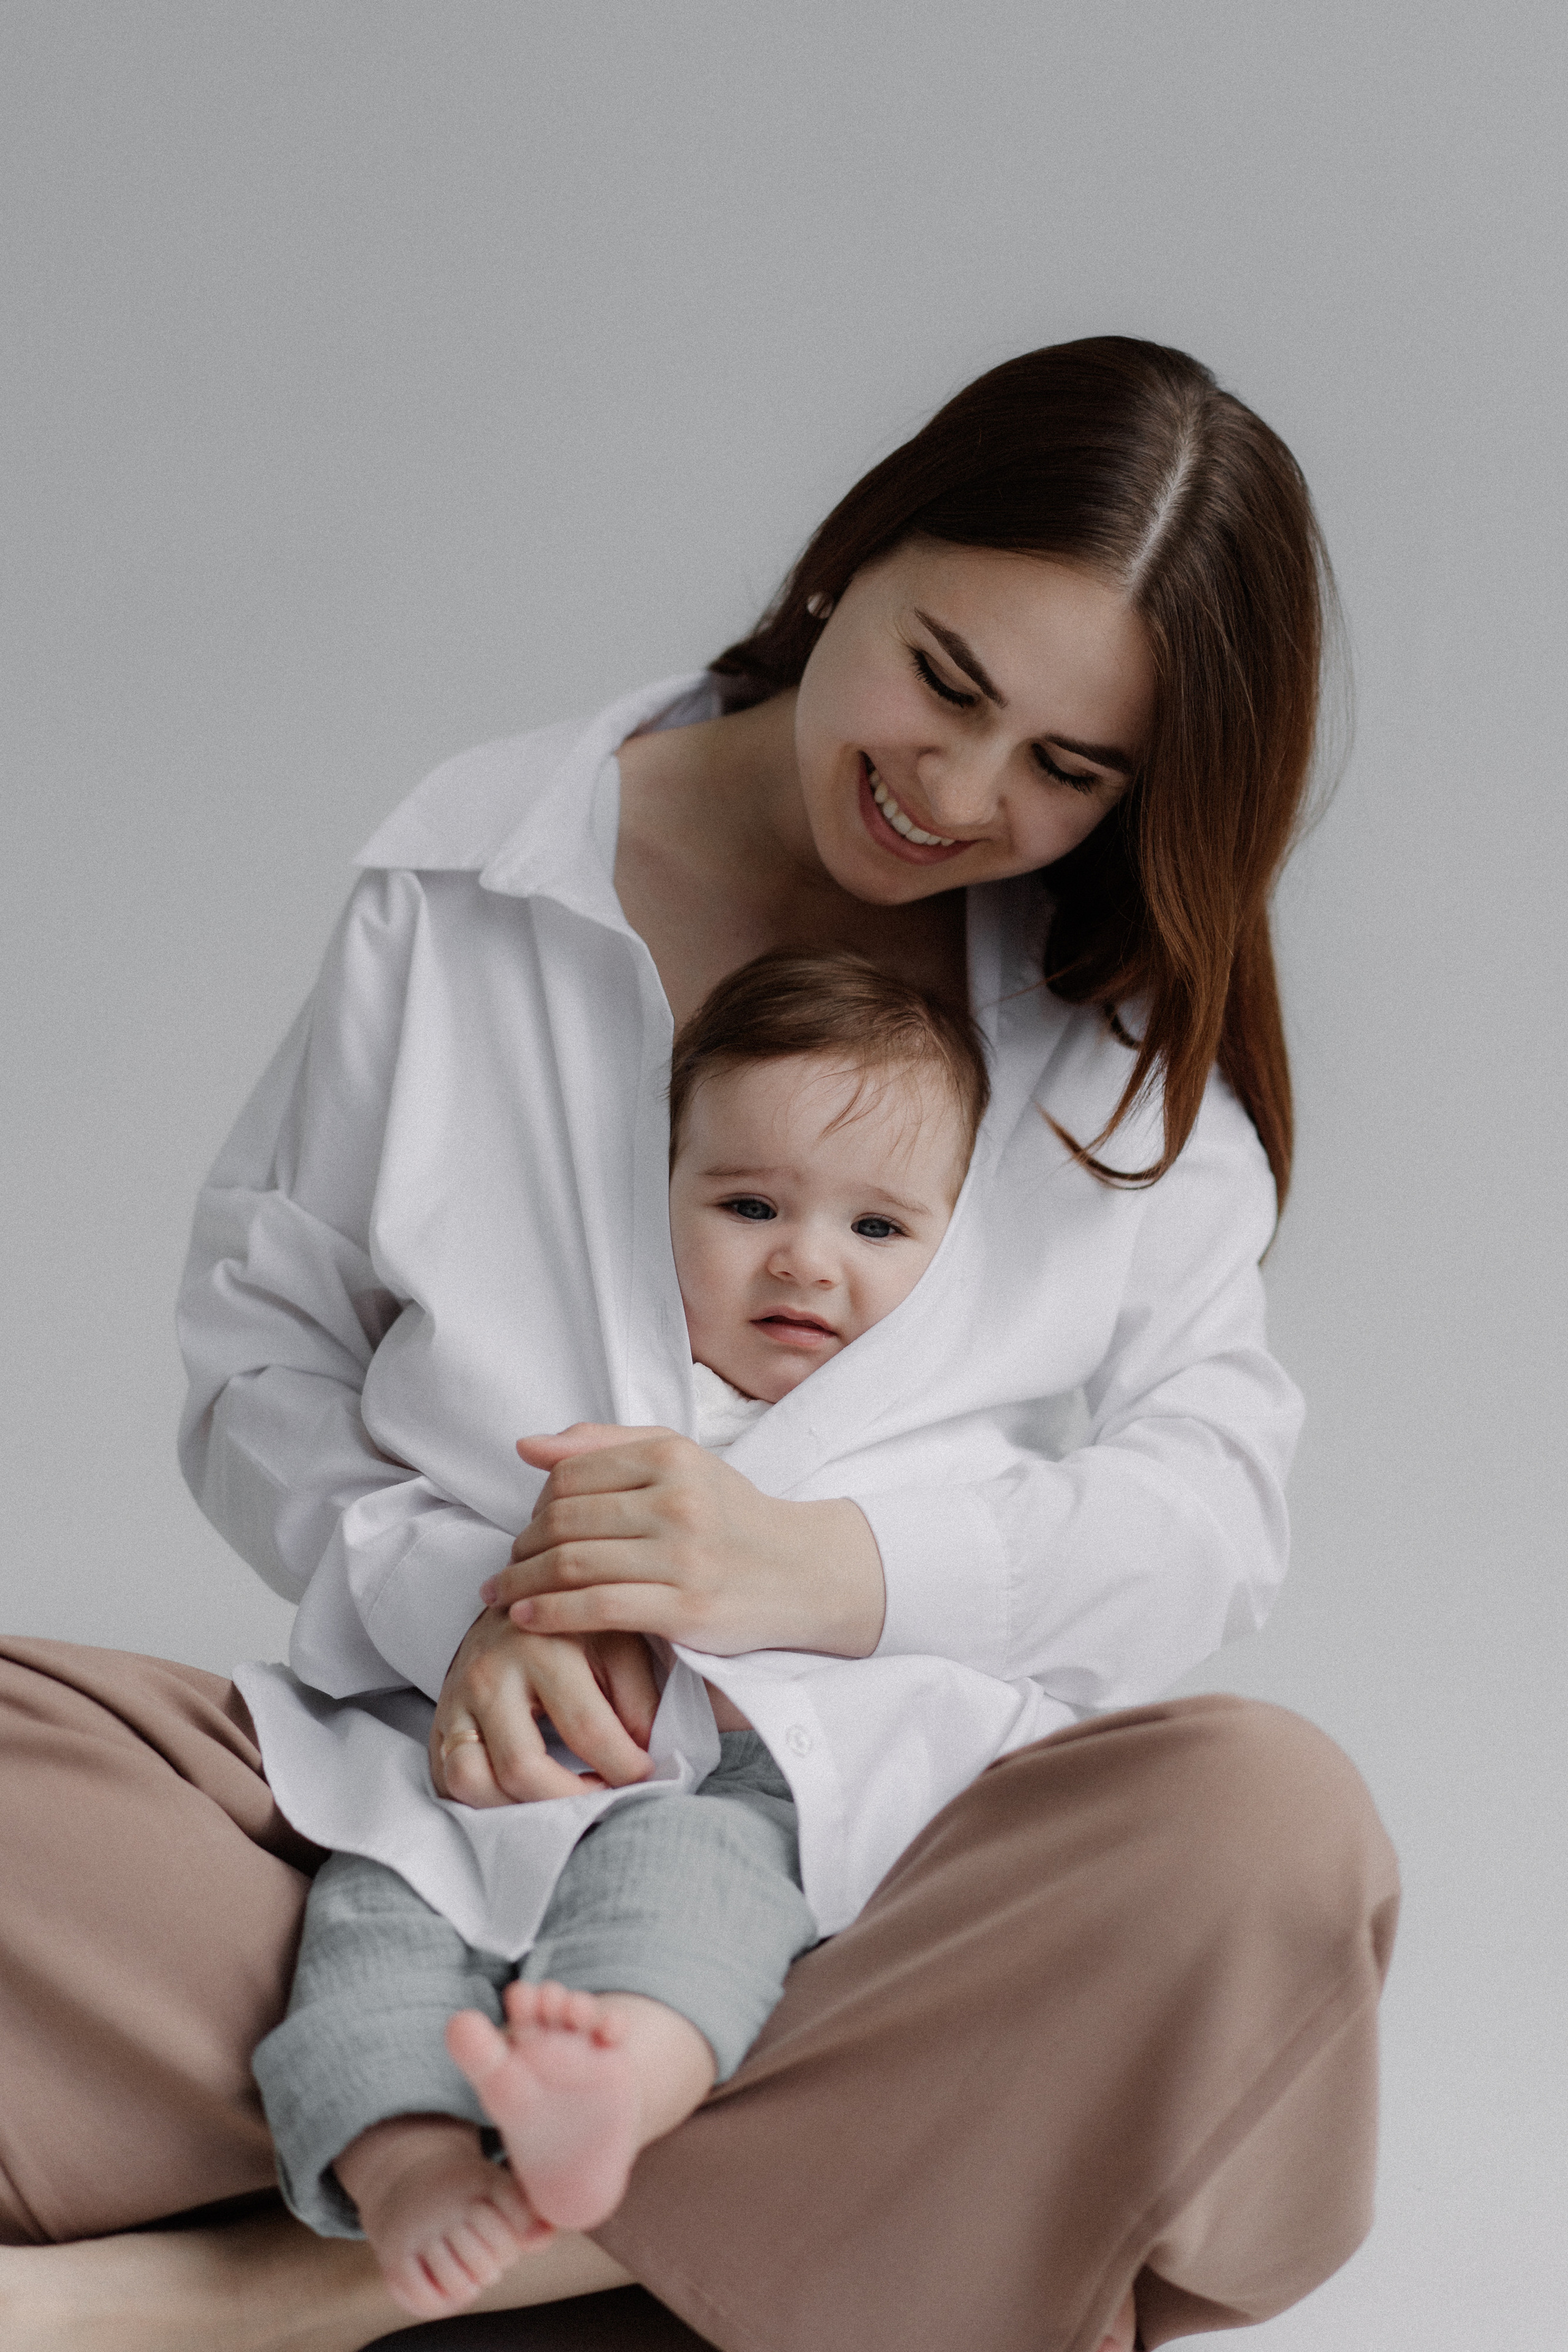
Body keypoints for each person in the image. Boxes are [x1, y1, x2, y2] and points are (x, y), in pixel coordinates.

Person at [0, 336, 1399, 2352]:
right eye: (947, 680)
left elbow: (1209, 1512)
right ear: (855, 560)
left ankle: (298, 2284)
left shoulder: (1120, 1047)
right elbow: (263, 1355)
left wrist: (825, 1575)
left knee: (1267, 1840)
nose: (961, 794)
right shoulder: (469, 888)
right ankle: (851, 2209)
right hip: (427, 1800)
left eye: (1070, 772)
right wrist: (471, 1604)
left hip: (880, 1886)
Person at [254, 948, 995, 2323]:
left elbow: (975, 1628)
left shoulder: (935, 1433)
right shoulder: (565, 1380)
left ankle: (615, 2088)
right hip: (491, 1758)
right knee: (372, 1914)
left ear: (953, 1252)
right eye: (748, 1202)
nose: (804, 1259)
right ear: (657, 1198)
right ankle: (406, 2169)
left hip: (725, 1777)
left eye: (877, 1231)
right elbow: (410, 1485)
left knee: (694, 1889)